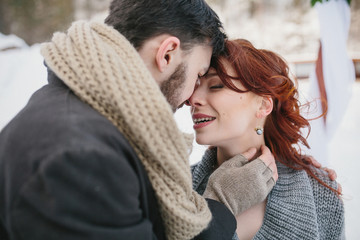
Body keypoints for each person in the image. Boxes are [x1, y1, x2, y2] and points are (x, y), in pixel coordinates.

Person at [0, 1, 278, 239]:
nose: (192, 96)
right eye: (198, 74)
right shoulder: (83, 157)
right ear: (167, 54)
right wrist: (220, 203)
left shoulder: (78, 112)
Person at [189, 39, 345, 240]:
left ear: (263, 105)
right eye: (195, 86)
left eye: (216, 85)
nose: (193, 99)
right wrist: (217, 201)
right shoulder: (172, 189)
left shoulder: (320, 192)